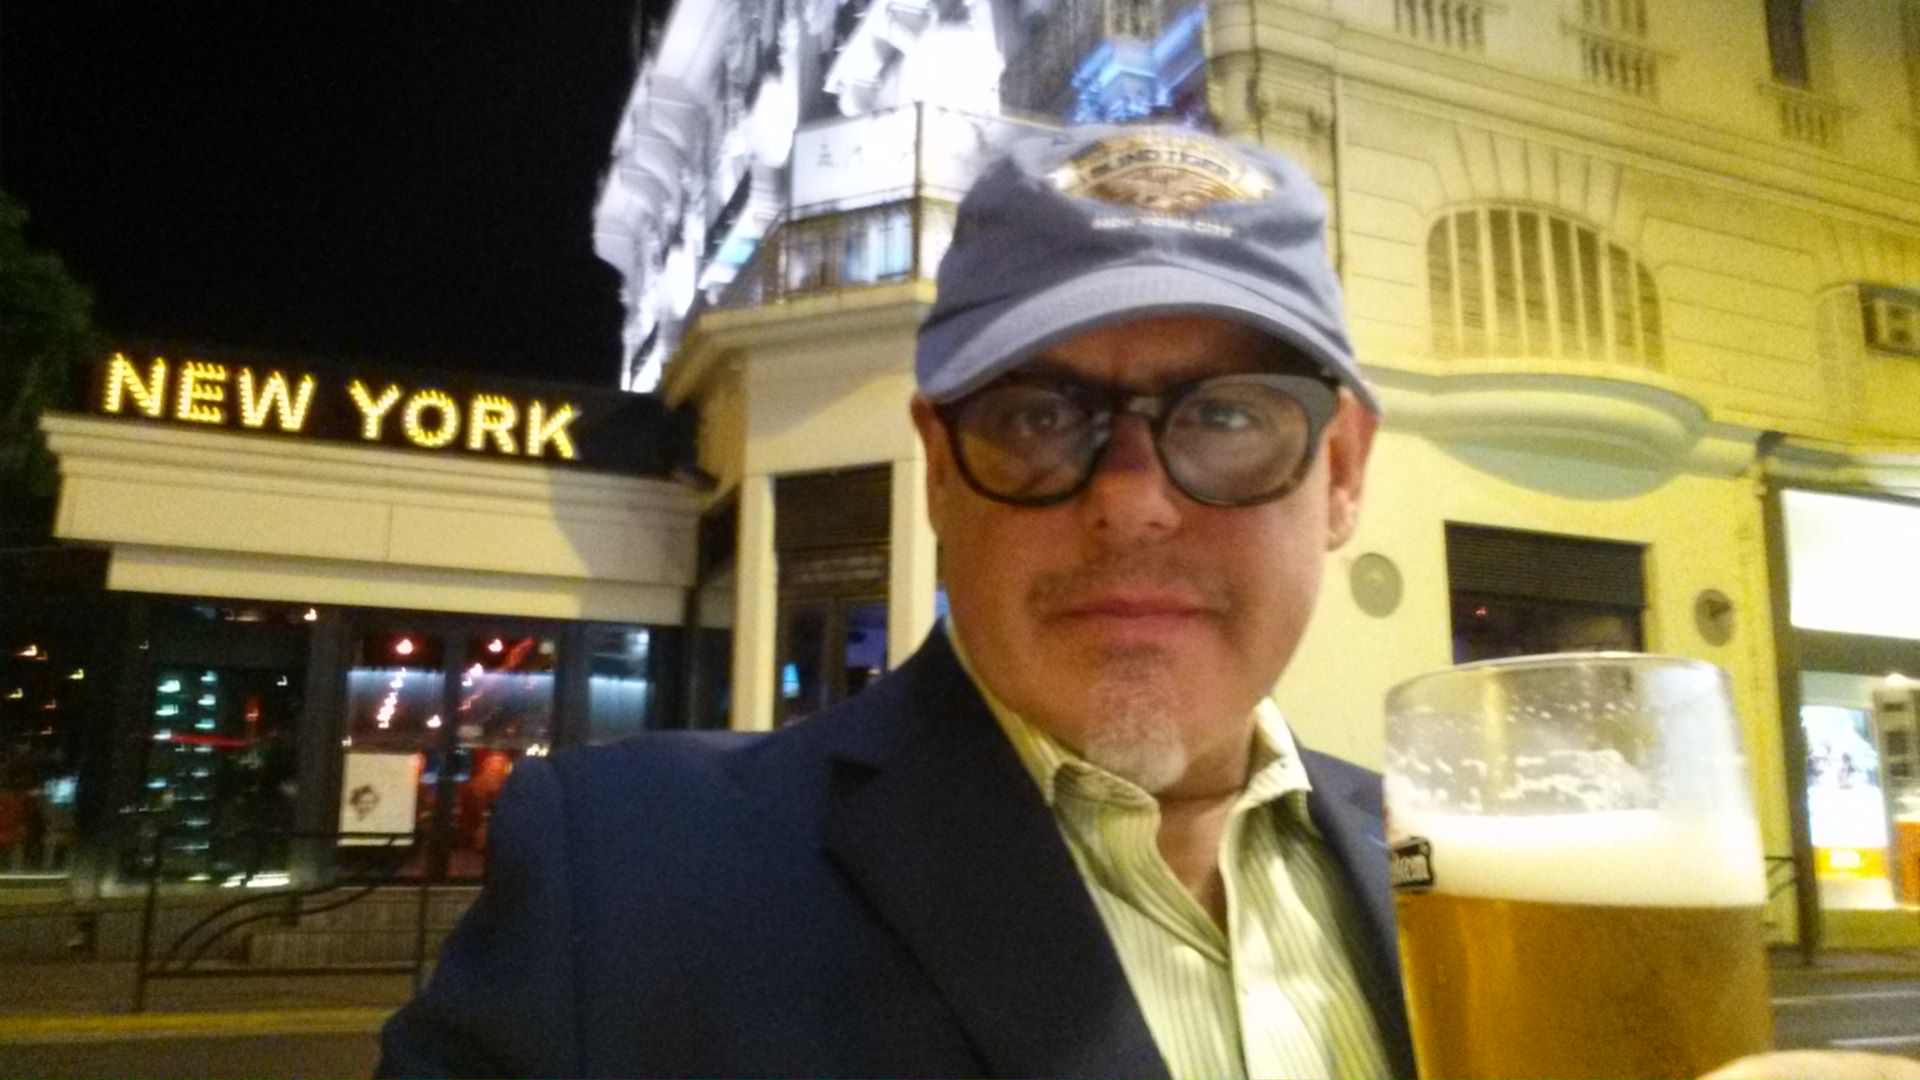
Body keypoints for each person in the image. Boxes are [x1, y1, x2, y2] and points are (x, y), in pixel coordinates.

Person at [376, 126, 1918, 1080]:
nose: (1131, 501)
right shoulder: (625, 894)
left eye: (1227, 417)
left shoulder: (1472, 893)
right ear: (939, 469)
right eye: (1040, 416)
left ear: (1341, 474)